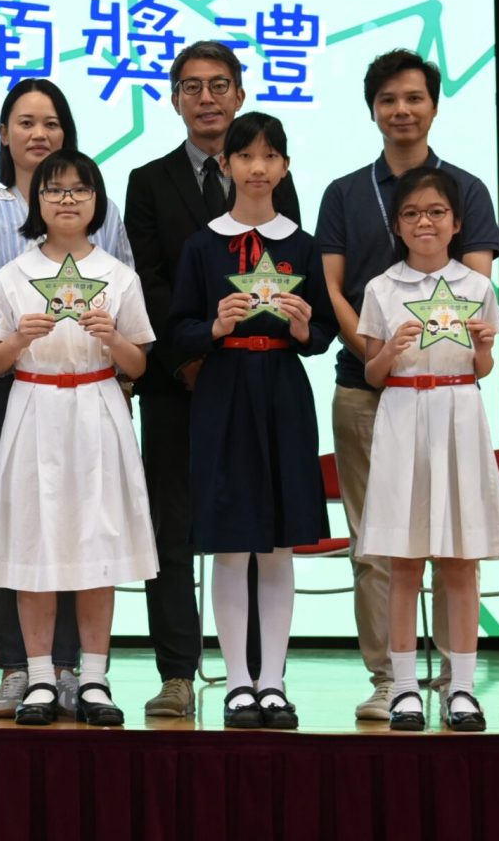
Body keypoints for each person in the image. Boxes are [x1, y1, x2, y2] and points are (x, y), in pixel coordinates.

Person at [0, 78, 133, 719]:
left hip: (89, 388)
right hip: (6, 387)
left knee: (85, 526)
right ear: (4, 134)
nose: (38, 134)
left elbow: (126, 297)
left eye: (51, 122)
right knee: (14, 527)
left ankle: (75, 671)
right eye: (25, 122)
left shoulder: (104, 214)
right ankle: (19, 668)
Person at [315, 50, 499, 721]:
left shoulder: (467, 188)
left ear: (434, 105)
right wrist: (375, 352)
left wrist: (451, 351)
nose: (402, 109)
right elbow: (333, 287)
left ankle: (456, 681)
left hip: (446, 394)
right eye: (388, 99)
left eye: (414, 97)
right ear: (372, 109)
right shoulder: (344, 192)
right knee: (379, 546)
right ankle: (388, 681)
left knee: (455, 542)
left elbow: (470, 288)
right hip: (366, 388)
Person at [123, 42, 302, 718]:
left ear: (239, 93)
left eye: (219, 85)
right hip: (177, 380)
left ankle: (255, 674)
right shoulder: (147, 180)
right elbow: (147, 279)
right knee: (171, 528)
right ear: (174, 98)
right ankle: (177, 672)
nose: (207, 98)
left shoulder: (271, 173)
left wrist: (235, 352)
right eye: (192, 86)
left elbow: (288, 271)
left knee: (255, 525)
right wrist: (191, 354)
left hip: (255, 380)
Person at [0, 151, 157, 728]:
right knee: (34, 541)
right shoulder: (14, 274)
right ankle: (39, 677)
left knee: (97, 543)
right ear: (38, 202)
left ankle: (95, 677)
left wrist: (113, 339)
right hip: (34, 405)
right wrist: (19, 339)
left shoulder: (118, 275)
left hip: (98, 406)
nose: (68, 200)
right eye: (54, 191)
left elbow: (139, 363)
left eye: (80, 190)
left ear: (97, 200)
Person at [168, 112, 333, 730]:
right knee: (231, 543)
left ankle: (274, 681)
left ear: (285, 167)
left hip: (283, 391)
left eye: (269, 156)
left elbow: (323, 333)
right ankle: (237, 680)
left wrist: (303, 329)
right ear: (227, 165)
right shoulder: (203, 244)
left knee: (280, 544)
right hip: (224, 391)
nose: (257, 168)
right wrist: (214, 326)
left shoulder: (303, 244)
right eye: (245, 156)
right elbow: (178, 329)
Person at [356, 166, 499, 732]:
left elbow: (482, 368)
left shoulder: (477, 288)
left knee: (460, 560)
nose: (425, 222)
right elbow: (373, 374)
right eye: (412, 213)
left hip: (458, 415)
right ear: (397, 225)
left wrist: (482, 348)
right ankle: (404, 690)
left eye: (436, 212)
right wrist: (390, 350)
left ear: (456, 223)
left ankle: (462, 689)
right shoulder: (381, 288)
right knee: (403, 561)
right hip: (402, 415)